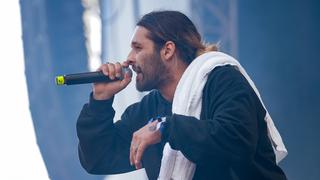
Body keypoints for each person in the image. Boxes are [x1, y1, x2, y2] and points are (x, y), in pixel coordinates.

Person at [76, 10, 287, 180]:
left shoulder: (222, 79)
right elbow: (98, 158)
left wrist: (164, 127)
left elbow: (236, 142)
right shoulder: (150, 107)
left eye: (138, 48)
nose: (129, 59)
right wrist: (100, 101)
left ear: (167, 50)